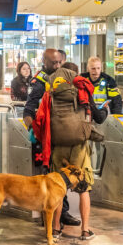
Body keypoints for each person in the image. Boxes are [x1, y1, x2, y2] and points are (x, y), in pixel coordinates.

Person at [33, 61, 107, 240]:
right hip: (79, 147)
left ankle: (56, 229)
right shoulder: (82, 90)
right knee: (84, 188)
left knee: (59, 188)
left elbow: (41, 118)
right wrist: (105, 110)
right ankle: (85, 230)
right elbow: (98, 117)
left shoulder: (51, 93)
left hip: (58, 147)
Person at [23, 48, 80, 228]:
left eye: (58, 62)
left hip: (60, 134)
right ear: (44, 62)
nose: (56, 66)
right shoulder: (40, 82)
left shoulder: (61, 77)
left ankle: (61, 213)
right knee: (47, 178)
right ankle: (49, 216)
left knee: (61, 176)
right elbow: (28, 109)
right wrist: (36, 131)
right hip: (45, 137)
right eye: (53, 63)